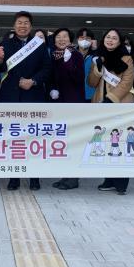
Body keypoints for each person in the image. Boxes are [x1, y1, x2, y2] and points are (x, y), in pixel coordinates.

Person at [0, 11, 52, 191]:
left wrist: (33, 81)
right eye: (19, 22)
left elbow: (47, 68)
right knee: (13, 139)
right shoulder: (5, 44)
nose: (22, 25)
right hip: (10, 97)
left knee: (33, 138)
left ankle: (35, 177)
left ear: (31, 26)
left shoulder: (39, 45)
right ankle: (14, 177)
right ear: (14, 25)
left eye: (26, 22)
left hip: (33, 96)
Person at [88, 28, 134, 195]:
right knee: (106, 142)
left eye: (114, 38)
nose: (110, 40)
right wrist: (97, 69)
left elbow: (127, 82)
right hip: (100, 103)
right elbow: (91, 83)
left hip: (120, 103)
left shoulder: (126, 59)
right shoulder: (97, 57)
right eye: (108, 37)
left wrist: (111, 98)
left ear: (119, 42)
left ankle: (121, 182)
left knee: (119, 142)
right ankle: (108, 178)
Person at [49, 28, 85, 191]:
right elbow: (51, 77)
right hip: (58, 101)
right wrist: (52, 88)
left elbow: (78, 78)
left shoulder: (76, 55)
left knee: (73, 139)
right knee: (62, 139)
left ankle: (73, 178)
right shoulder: (53, 55)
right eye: (58, 37)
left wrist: (68, 62)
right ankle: (65, 175)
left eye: (65, 37)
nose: (61, 39)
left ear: (70, 40)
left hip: (73, 101)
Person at [76, 28, 98, 102]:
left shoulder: (96, 56)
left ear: (92, 41)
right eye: (82, 37)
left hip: (91, 95)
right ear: (77, 39)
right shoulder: (70, 54)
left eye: (87, 38)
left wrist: (96, 50)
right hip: (74, 94)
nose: (84, 40)